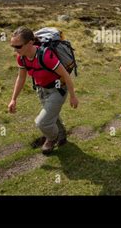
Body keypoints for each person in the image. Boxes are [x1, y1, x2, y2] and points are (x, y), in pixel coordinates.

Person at [8, 26, 79, 154]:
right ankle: (62, 136)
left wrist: (73, 96)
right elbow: (21, 78)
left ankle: (52, 138)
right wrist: (13, 99)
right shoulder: (22, 57)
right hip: (41, 90)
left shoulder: (46, 55)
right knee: (53, 116)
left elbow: (65, 75)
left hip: (58, 90)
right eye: (13, 46)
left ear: (30, 43)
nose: (15, 50)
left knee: (42, 123)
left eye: (18, 46)